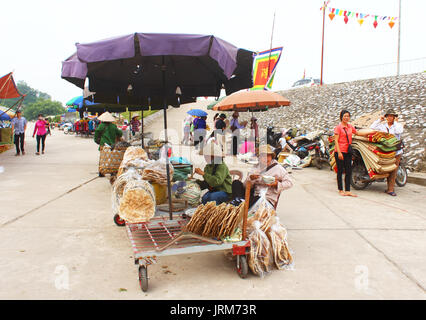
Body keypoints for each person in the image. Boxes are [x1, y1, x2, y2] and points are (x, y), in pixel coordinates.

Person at [334, 109, 369, 197]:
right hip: (340, 151)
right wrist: (339, 153)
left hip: (348, 151)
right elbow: (336, 141)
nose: (346, 118)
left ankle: (348, 190)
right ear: (341, 117)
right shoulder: (338, 127)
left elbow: (357, 133)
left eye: (348, 116)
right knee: (340, 171)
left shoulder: (350, 126)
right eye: (345, 116)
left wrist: (370, 133)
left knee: (348, 171)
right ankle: (341, 189)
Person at [370, 109, 404, 196]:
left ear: (394, 117)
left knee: (393, 170)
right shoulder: (383, 126)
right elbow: (372, 128)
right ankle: (388, 187)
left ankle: (390, 189)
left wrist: (395, 122)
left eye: (391, 116)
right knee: (387, 168)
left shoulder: (398, 126)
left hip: (396, 151)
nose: (389, 118)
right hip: (386, 151)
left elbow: (398, 131)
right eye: (388, 116)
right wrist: (379, 120)